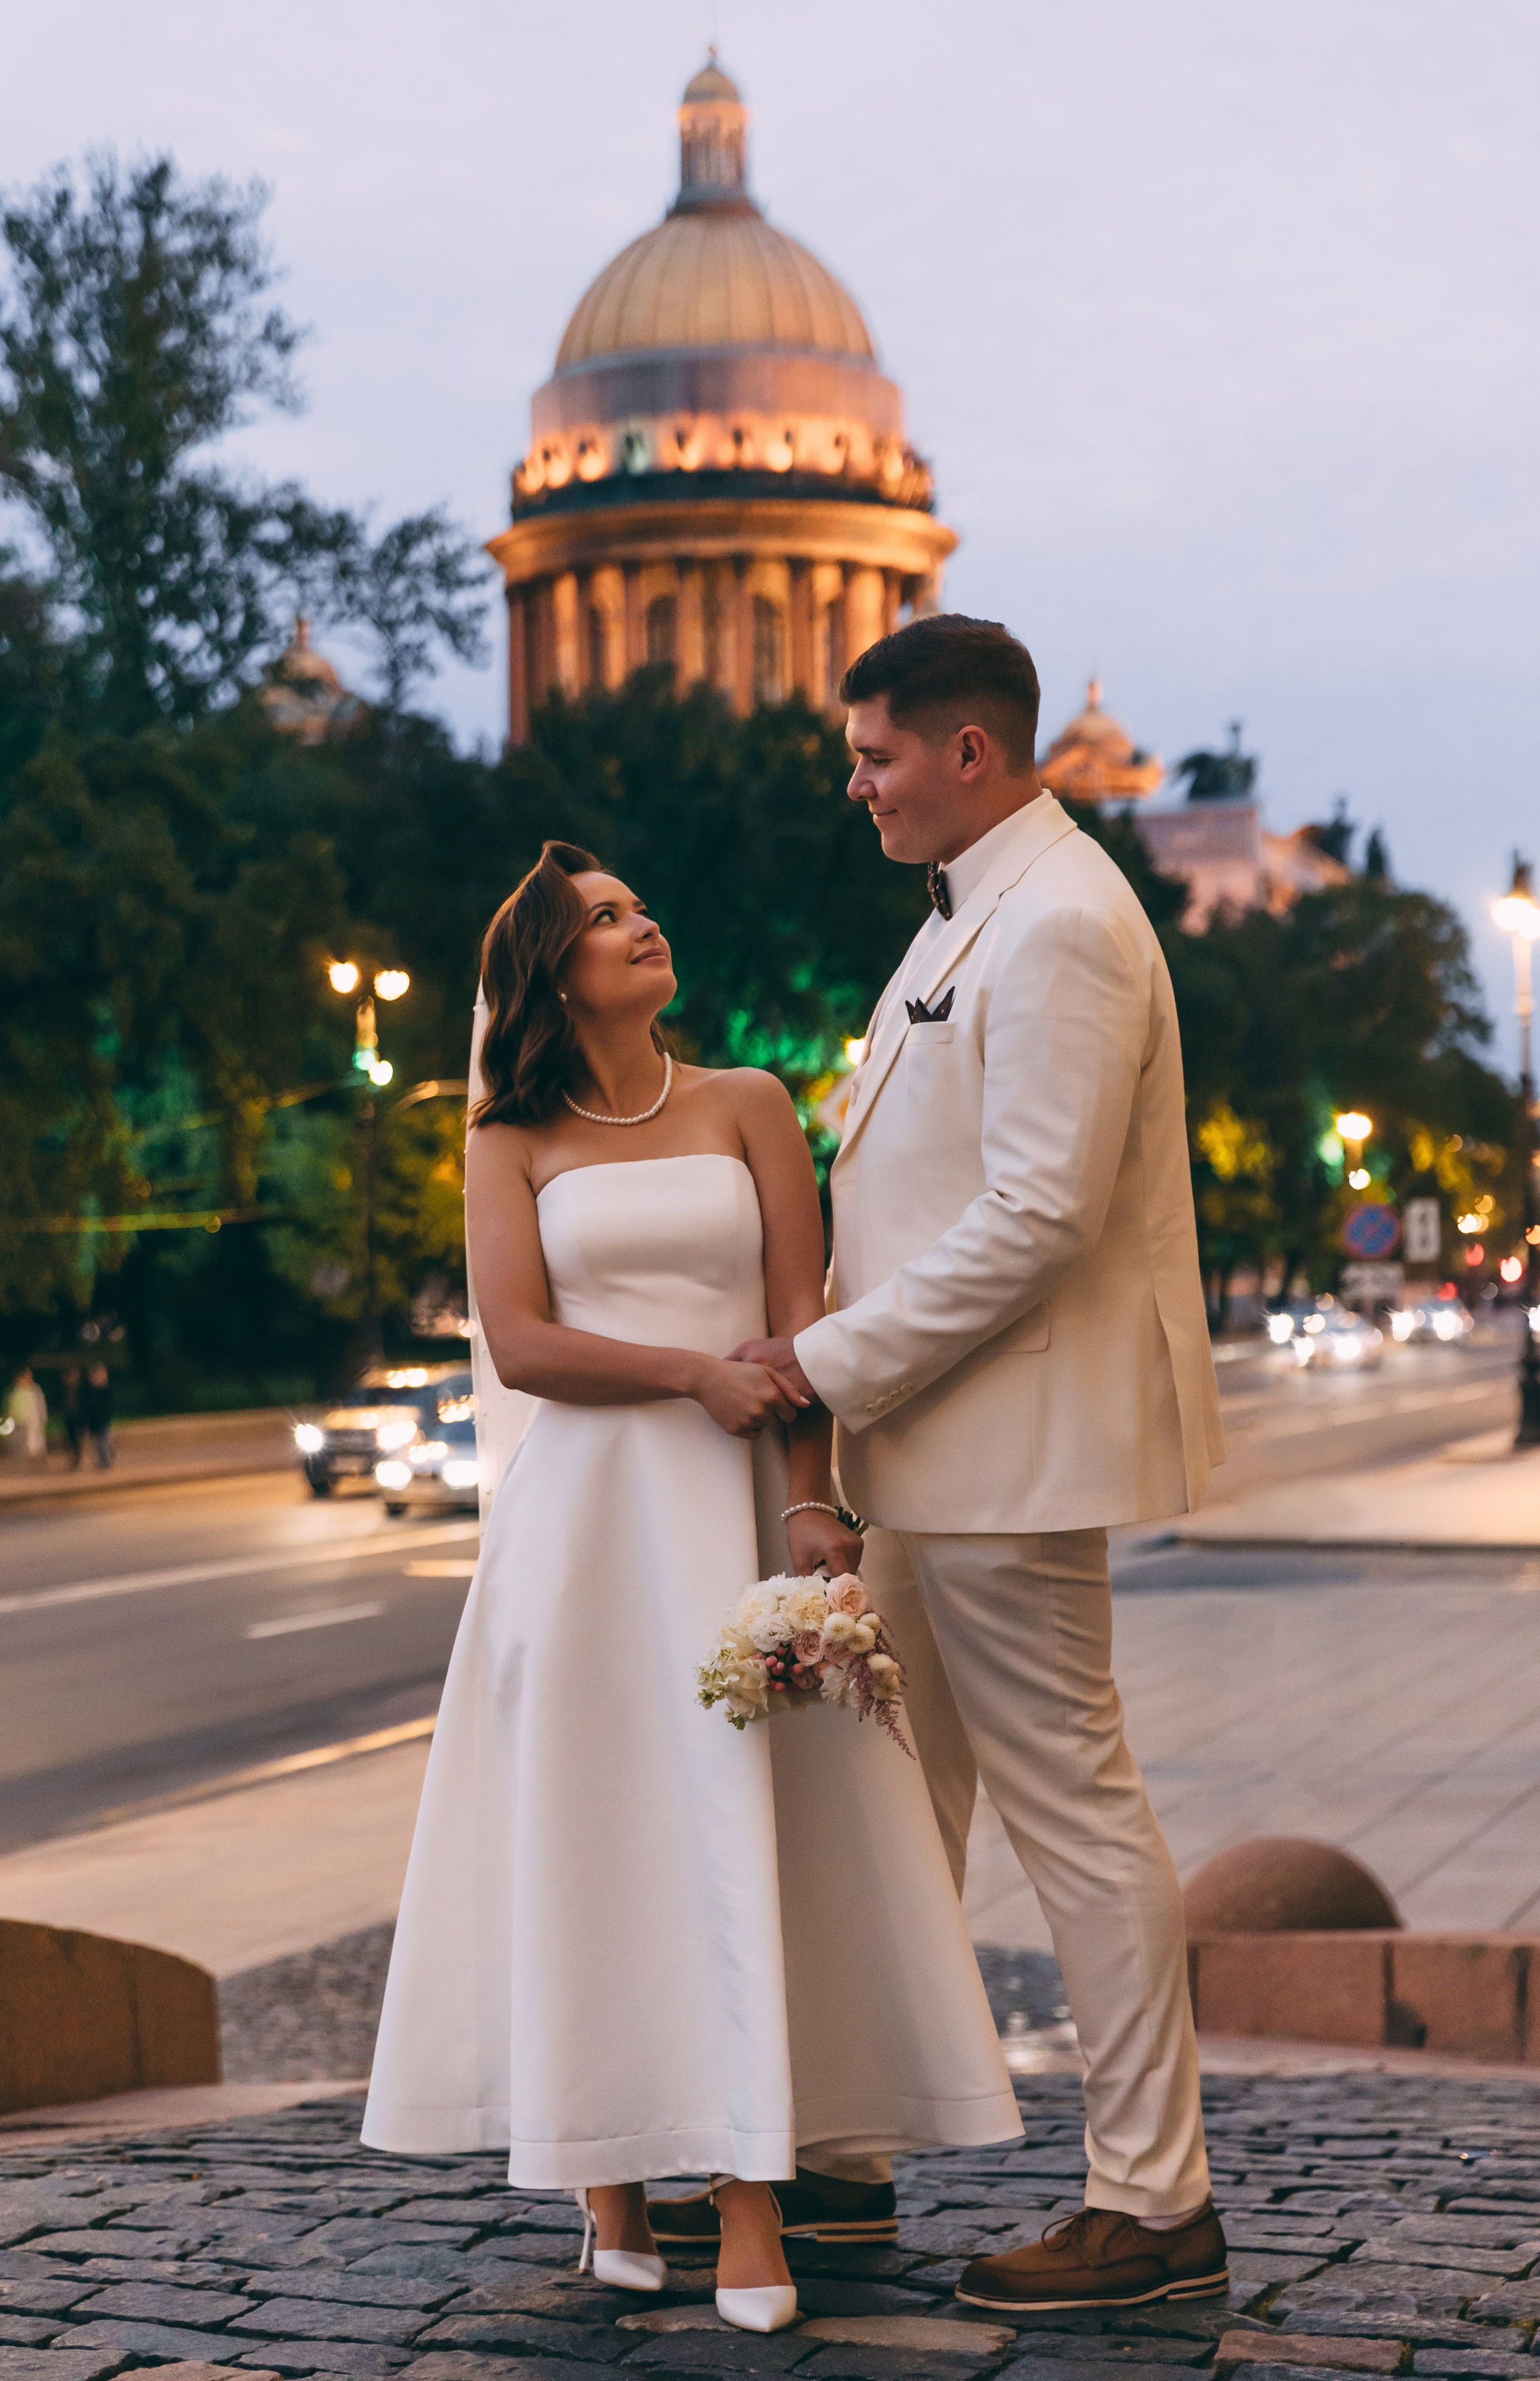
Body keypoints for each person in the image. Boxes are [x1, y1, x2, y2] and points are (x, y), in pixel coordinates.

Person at [361, 841, 1021, 2334]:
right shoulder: (505, 1136)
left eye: (638, 904)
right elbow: (520, 1341)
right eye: (602, 919)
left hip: (735, 1509)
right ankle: (604, 2176)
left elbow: (803, 1318)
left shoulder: (746, 1104)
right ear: (552, 972)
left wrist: (806, 1496)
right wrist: (684, 1373)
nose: (639, 922)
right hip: (585, 1529)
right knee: (597, 1833)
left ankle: (744, 2197)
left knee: (742, 1829)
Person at [730, 614, 1229, 2315]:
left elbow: (1039, 1214)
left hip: (1006, 1447)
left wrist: (820, 1360)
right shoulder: (977, 918)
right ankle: (852, 2162)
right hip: (935, 1453)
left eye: (873, 757)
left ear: (968, 751)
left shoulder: (1066, 924)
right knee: (898, 1803)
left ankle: (1155, 2202)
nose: (854, 787)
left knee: (1074, 1818)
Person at [1, 1366, 47, 1462]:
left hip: (30, 1420)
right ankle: (20, 1464)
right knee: (17, 1443)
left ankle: (32, 1464)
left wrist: (43, 1419)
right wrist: (7, 1421)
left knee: (32, 1443)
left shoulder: (35, 1391)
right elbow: (9, 1407)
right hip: (17, 1420)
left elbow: (41, 1406)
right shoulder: (13, 1392)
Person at [82, 1363, 115, 1468]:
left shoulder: (106, 1390)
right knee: (99, 1443)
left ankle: (106, 1461)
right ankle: (105, 1460)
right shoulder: (90, 1392)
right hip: (94, 1422)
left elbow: (109, 1406)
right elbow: (88, 1408)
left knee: (104, 1441)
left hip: (104, 1420)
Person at [60, 1367, 86, 1469]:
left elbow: (85, 1404)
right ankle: (73, 1459)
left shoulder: (81, 1389)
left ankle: (77, 1459)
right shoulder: (64, 1389)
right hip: (69, 1418)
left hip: (79, 1418)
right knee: (70, 1440)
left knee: (78, 1440)